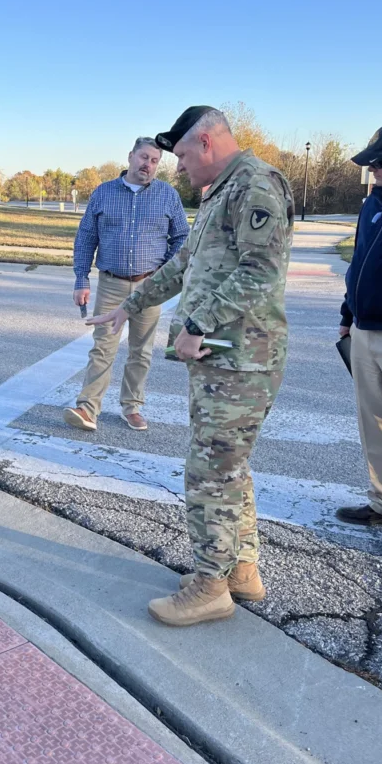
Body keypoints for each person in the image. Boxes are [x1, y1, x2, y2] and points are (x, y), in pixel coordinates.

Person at [88, 107, 294, 626]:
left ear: (205, 142)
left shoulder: (255, 185)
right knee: (228, 468)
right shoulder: (222, 191)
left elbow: (260, 272)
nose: (175, 167)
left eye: (179, 155)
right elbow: (185, 265)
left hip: (240, 358)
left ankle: (210, 586)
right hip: (223, 358)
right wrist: (129, 306)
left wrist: (196, 324)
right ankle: (241, 570)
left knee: (210, 473)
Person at [64, 137, 189, 432]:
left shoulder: (167, 195)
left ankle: (132, 407)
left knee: (141, 351)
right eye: (144, 157)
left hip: (150, 286)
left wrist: (164, 270)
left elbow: (182, 236)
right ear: (131, 156)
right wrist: (81, 279)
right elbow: (85, 238)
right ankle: (88, 407)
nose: (148, 165)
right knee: (102, 348)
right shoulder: (104, 193)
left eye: (155, 161)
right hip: (111, 284)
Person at [334, 122, 382, 559]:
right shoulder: (373, 203)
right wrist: (347, 315)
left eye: (380, 161)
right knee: (373, 423)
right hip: (364, 329)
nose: (372, 169)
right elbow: (358, 261)